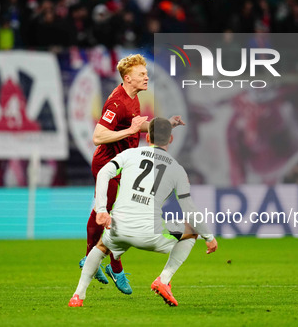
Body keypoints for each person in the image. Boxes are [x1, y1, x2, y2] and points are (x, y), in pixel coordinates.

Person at [70, 118, 217, 307]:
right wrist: (209, 237)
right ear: (170, 139)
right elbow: (189, 209)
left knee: (101, 246)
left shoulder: (130, 154)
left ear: (147, 137)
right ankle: (164, 280)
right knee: (192, 230)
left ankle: (78, 296)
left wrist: (101, 209)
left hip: (119, 228)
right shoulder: (177, 170)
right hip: (151, 234)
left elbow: (104, 172)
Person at [80, 54, 184, 294]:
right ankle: (107, 266)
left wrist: (166, 123)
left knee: (110, 213)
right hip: (108, 162)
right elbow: (98, 136)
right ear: (128, 78)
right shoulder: (116, 102)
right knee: (108, 213)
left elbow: (137, 126)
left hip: (124, 164)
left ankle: (96, 261)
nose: (146, 77)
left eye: (146, 74)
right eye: (141, 74)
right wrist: (130, 130)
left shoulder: (133, 97)